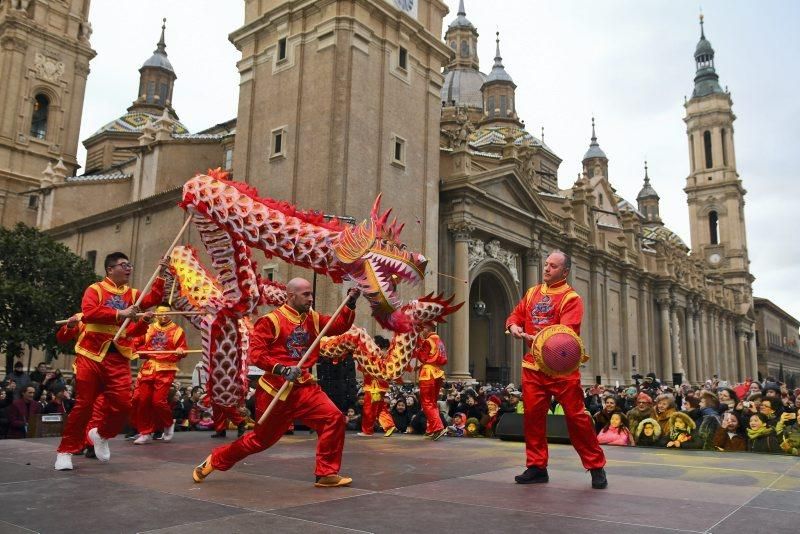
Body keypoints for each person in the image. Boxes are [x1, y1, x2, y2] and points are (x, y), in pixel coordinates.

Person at [192, 279, 359, 488]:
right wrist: (282, 368)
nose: (311, 298)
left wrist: (350, 303)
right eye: (306, 294)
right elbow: (256, 354)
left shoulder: (312, 319)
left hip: (304, 387)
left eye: (311, 294)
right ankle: (215, 460)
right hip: (275, 391)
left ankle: (326, 473)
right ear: (291, 296)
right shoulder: (271, 321)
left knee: (333, 418)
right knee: (260, 440)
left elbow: (338, 325)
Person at [54, 252, 166, 471]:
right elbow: (90, 312)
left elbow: (153, 299)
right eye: (123, 265)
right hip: (91, 355)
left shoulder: (133, 294)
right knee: (84, 405)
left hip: (118, 357)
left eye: (129, 265)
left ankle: (101, 435)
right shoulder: (94, 289)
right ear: (110, 269)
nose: (128, 268)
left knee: (124, 405)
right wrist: (121, 313)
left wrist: (161, 273)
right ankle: (65, 451)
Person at [506, 250, 607, 489]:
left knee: (576, 417)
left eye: (553, 266)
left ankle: (595, 466)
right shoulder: (532, 293)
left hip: (561, 368)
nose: (546, 269)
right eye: (546, 264)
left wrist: (535, 336)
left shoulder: (572, 298)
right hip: (532, 366)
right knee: (532, 417)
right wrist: (513, 326)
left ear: (565, 271)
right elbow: (516, 315)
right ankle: (536, 466)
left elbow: (565, 334)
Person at [130, 305, 187, 444]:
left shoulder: (178, 331)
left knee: (158, 401)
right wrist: (140, 350)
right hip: (149, 368)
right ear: (155, 314)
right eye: (160, 313)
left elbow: (183, 349)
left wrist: (180, 351)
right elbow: (135, 343)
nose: (163, 316)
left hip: (166, 369)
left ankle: (168, 423)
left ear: (171, 314)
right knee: (142, 401)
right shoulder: (148, 328)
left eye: (166, 313)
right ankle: (144, 432)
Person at [412, 325, 448, 440]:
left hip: (428, 374)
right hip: (437, 372)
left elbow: (423, 357)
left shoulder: (428, 341)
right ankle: (431, 429)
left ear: (428, 328)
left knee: (427, 402)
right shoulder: (439, 341)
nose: (422, 331)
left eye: (423, 328)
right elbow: (442, 359)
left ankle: (437, 427)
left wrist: (418, 349)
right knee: (432, 402)